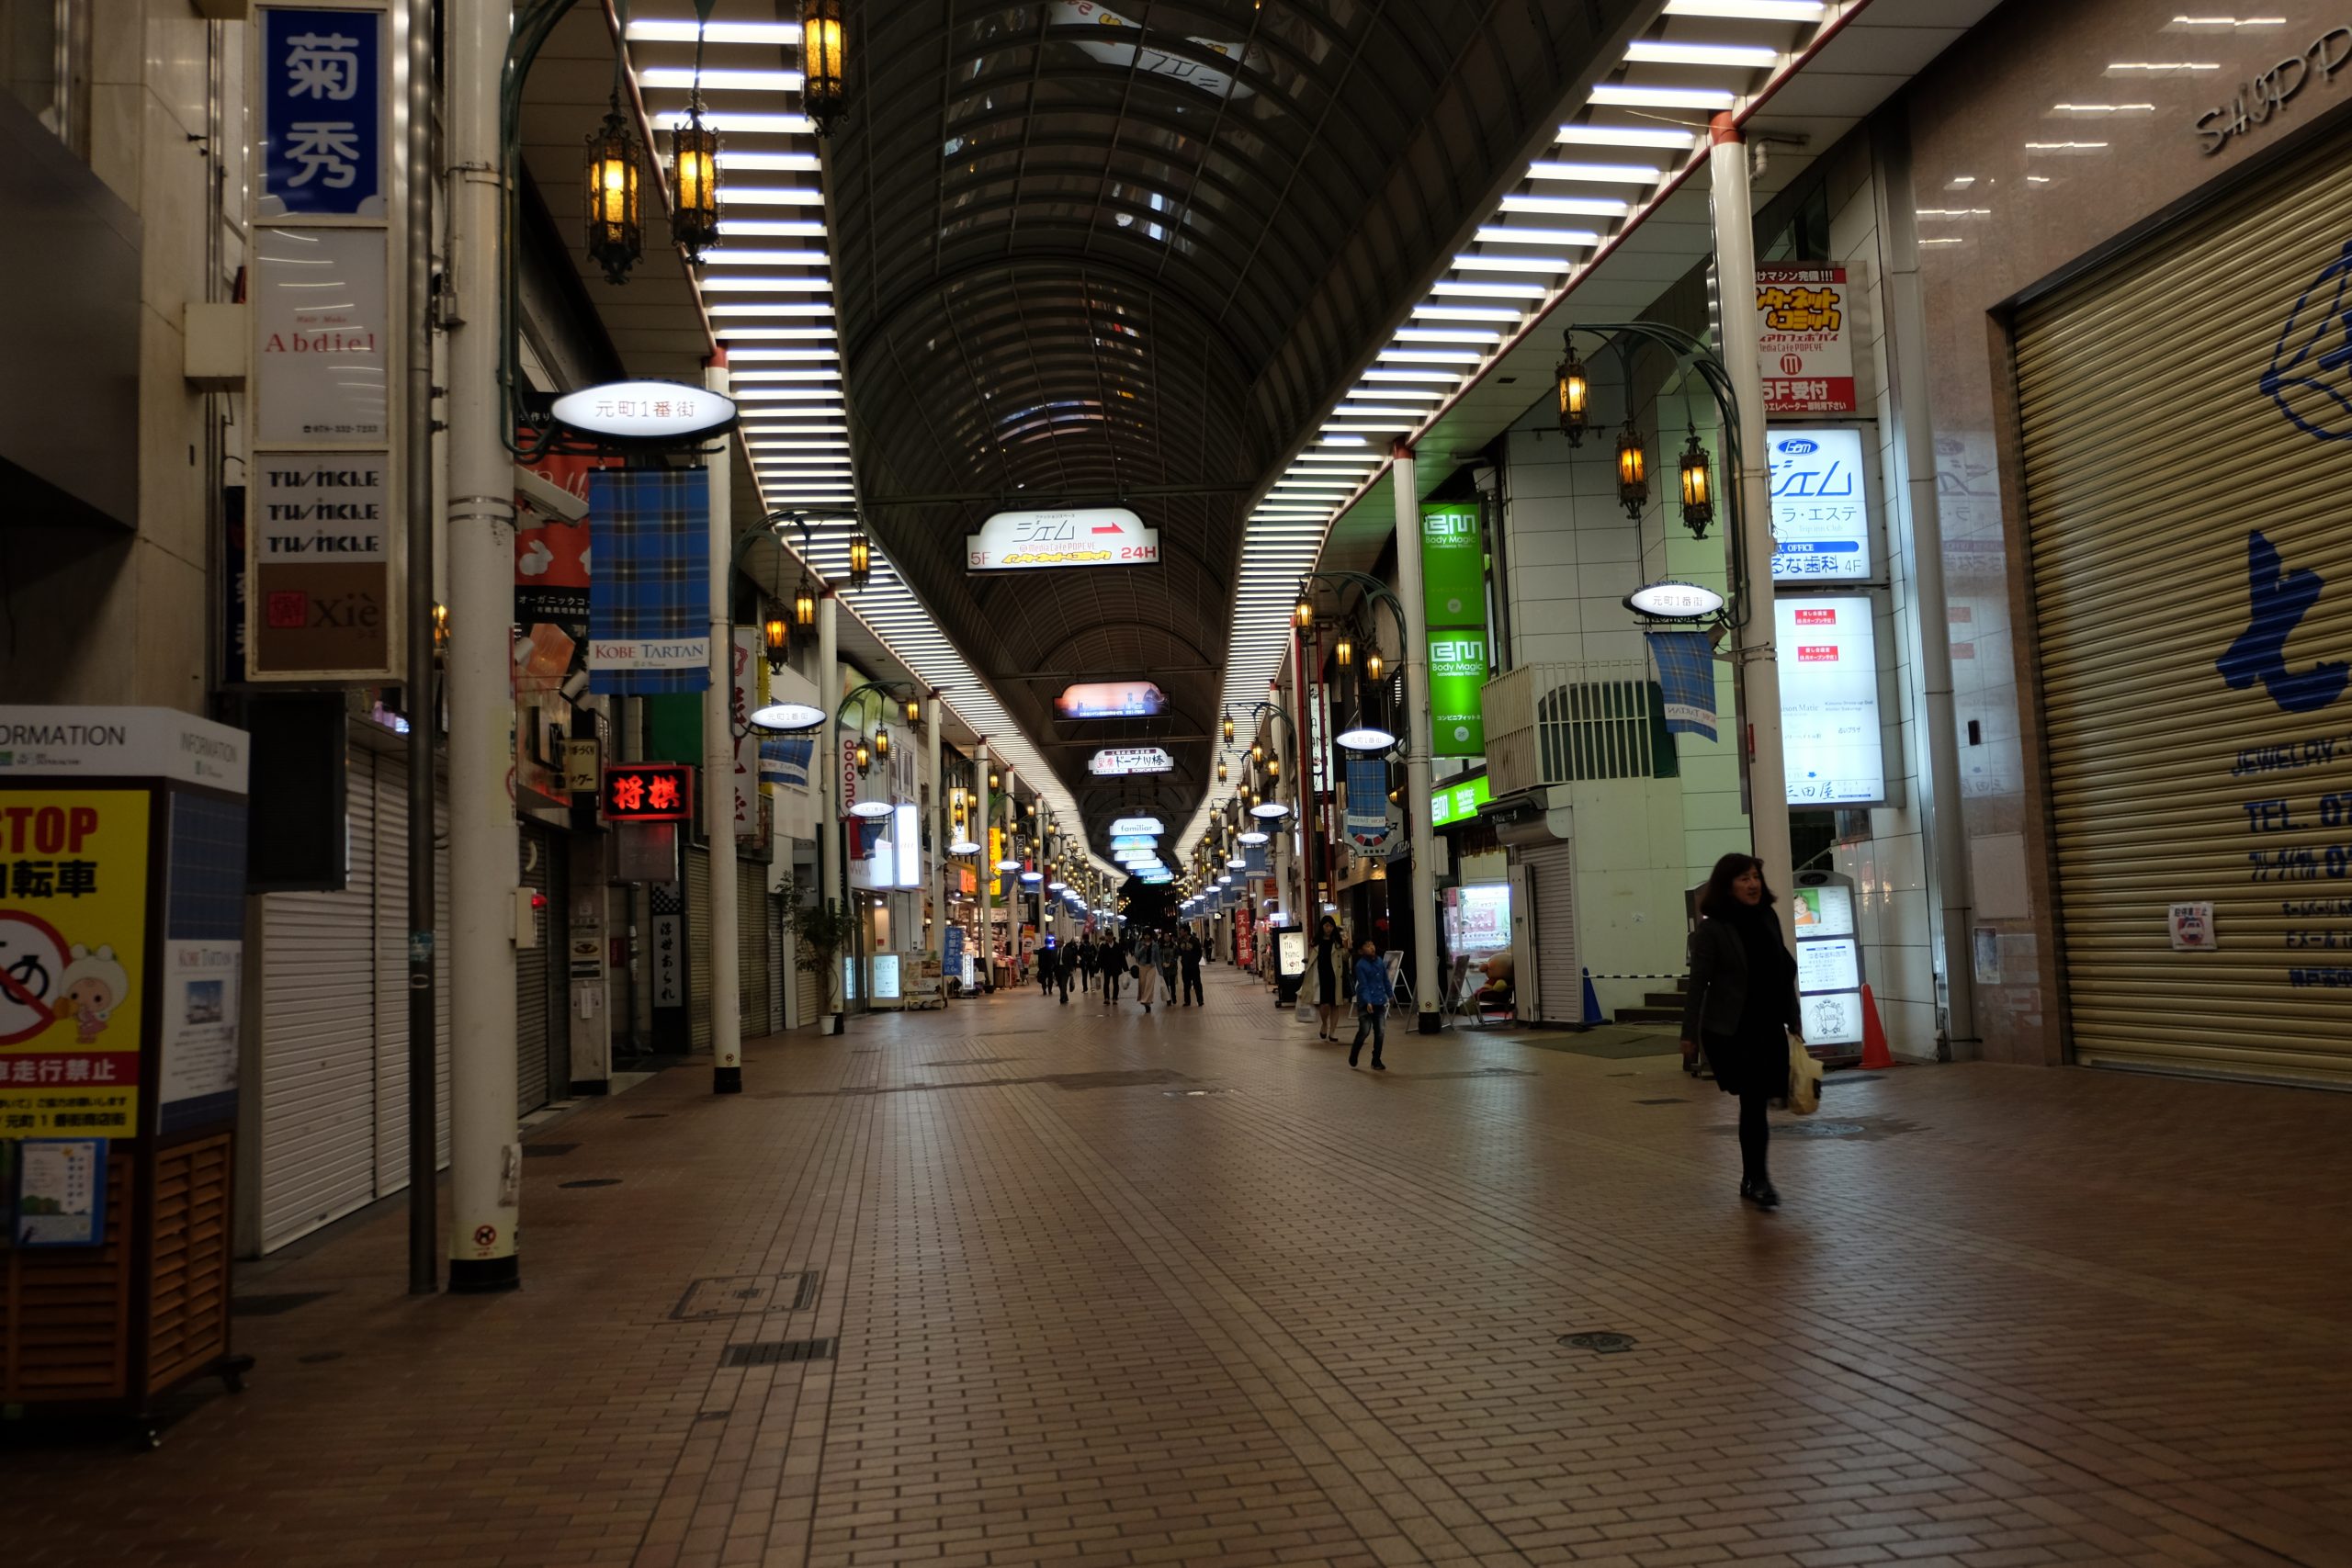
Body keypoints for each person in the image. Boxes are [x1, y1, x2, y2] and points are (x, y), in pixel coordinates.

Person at [1679, 852, 1804, 1210]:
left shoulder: (1767, 917)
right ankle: (1757, 1179)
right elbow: (1698, 985)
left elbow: (1783, 971)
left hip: (1768, 1024)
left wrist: (1793, 1018)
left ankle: (1754, 1178)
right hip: (1733, 1030)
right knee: (1753, 1102)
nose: (1752, 884)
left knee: (1759, 1103)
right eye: (1744, 878)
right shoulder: (1712, 929)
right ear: (1727, 885)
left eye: (1755, 877)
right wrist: (1688, 1034)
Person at [1347, 939, 1391, 1070]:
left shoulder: (1379, 961)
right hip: (1365, 1003)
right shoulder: (1360, 966)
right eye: (1367, 946)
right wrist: (1367, 1001)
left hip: (1379, 1001)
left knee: (1380, 1032)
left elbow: (1385, 979)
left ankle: (1376, 1059)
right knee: (1364, 1031)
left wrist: (1390, 994)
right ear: (1361, 951)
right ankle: (1354, 1052)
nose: (1371, 947)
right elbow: (1364, 985)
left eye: (1372, 944)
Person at [1308, 915, 1343, 1041]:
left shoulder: (1337, 943)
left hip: (1335, 977)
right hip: (1321, 976)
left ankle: (1333, 1032)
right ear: (1322, 927)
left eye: (1331, 926)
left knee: (1335, 1004)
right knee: (1324, 1004)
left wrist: (1348, 950)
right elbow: (1312, 959)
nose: (1329, 928)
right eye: (1326, 926)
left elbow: (1344, 958)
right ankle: (1324, 1024)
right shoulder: (1316, 943)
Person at [1135, 930, 1161, 1012]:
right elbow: (1136, 955)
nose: (1147, 936)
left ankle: (1146, 1001)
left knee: (1149, 985)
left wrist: (1160, 971)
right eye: (1145, 935)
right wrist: (1143, 948)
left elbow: (1157, 958)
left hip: (1151, 967)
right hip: (1142, 966)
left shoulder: (1155, 945)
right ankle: (1146, 1003)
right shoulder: (1139, 944)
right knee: (1142, 984)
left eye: (1148, 935)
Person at [1179, 931, 1204, 1007]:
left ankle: (1200, 1000)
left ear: (1186, 932)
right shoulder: (1181, 941)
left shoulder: (1194, 940)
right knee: (1186, 985)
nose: (1181, 932)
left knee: (1197, 983)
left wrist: (1196, 961)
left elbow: (1199, 952)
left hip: (1194, 966)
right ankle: (1187, 1001)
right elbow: (1179, 952)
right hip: (1185, 967)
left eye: (1182, 931)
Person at [1100, 933, 1123, 1006]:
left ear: (1112, 936)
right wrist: (1097, 969)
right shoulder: (1103, 947)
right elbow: (1100, 958)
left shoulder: (1117, 946)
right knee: (1106, 983)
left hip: (1116, 968)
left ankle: (1115, 998)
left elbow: (1122, 957)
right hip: (1107, 968)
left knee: (1115, 983)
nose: (1109, 937)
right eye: (1108, 935)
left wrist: (1126, 969)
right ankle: (1106, 998)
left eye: (1110, 935)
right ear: (1106, 937)